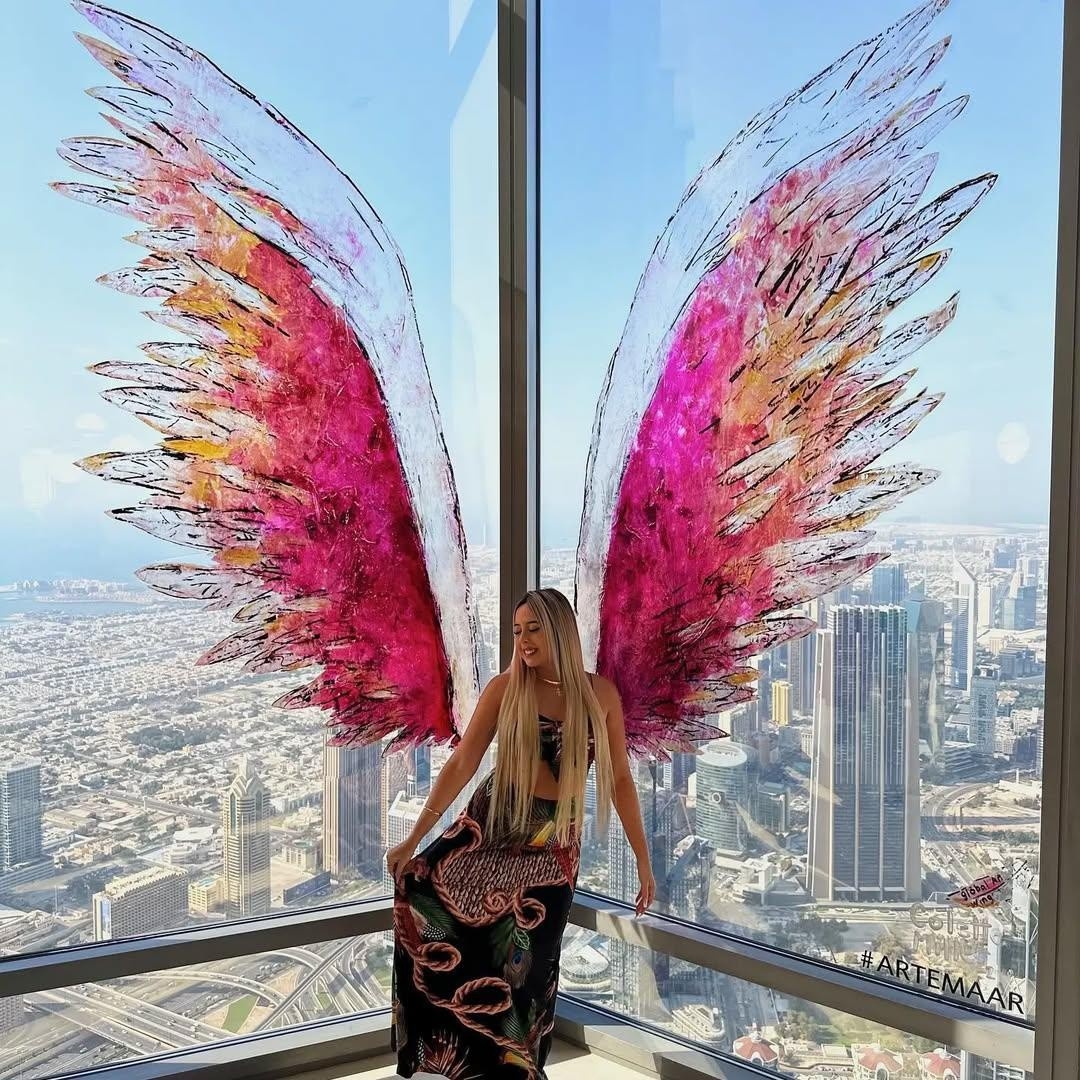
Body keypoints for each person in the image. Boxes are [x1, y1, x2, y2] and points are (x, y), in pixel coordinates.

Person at [386, 587, 656, 1079]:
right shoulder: (505, 689)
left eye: (534, 629)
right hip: (493, 824)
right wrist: (414, 838)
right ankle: (458, 1060)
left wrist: (643, 858)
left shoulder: (600, 695)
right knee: (423, 895)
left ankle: (519, 1070)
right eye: (517, 631)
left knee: (531, 969)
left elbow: (619, 779)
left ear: (560, 631)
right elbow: (463, 763)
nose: (524, 640)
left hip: (553, 846)